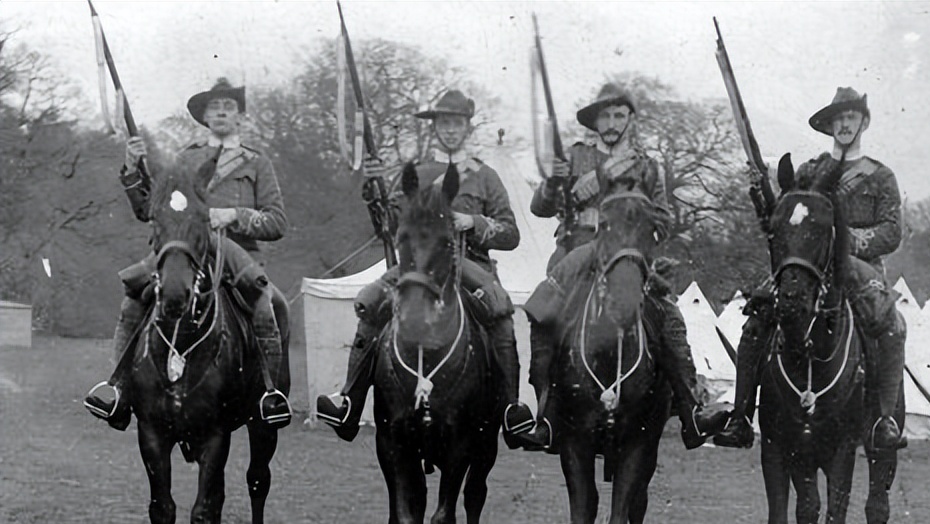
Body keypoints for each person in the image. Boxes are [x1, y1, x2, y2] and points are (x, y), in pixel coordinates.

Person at [315, 89, 534, 441]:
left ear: (467, 127)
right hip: (418, 265)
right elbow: (389, 228)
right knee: (371, 301)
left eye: (456, 123)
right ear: (435, 127)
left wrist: (473, 222)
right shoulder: (415, 173)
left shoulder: (485, 176)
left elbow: (510, 233)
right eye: (444, 123)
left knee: (499, 311)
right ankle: (349, 403)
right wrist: (373, 191)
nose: (450, 130)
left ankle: (511, 408)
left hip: (467, 264)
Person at [514, 82, 719, 452]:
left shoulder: (647, 166)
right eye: (605, 115)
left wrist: (638, 223)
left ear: (629, 119)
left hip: (628, 256)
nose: (611, 122)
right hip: (578, 256)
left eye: (618, 114)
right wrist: (553, 182)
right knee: (543, 315)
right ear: (594, 121)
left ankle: (691, 410)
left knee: (669, 317)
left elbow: (664, 219)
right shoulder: (575, 158)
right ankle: (545, 414)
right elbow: (540, 208)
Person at [84, 78, 292, 430]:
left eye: (229, 106)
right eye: (215, 107)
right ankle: (117, 388)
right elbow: (153, 210)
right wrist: (133, 169)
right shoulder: (186, 159)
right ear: (205, 117)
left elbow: (277, 222)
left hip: (237, 255)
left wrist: (234, 216)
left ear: (240, 117)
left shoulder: (257, 163)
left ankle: (269, 394)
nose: (222, 111)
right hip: (187, 251)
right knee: (134, 293)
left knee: (269, 304)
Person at [714, 87, 908, 451]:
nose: (845, 123)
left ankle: (884, 418)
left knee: (891, 325)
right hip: (808, 267)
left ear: (863, 122)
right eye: (839, 118)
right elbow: (784, 217)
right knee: (757, 315)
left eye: (851, 117)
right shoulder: (810, 170)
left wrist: (843, 241)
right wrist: (761, 192)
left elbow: (891, 231)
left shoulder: (881, 176)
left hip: (857, 268)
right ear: (830, 126)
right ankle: (740, 417)